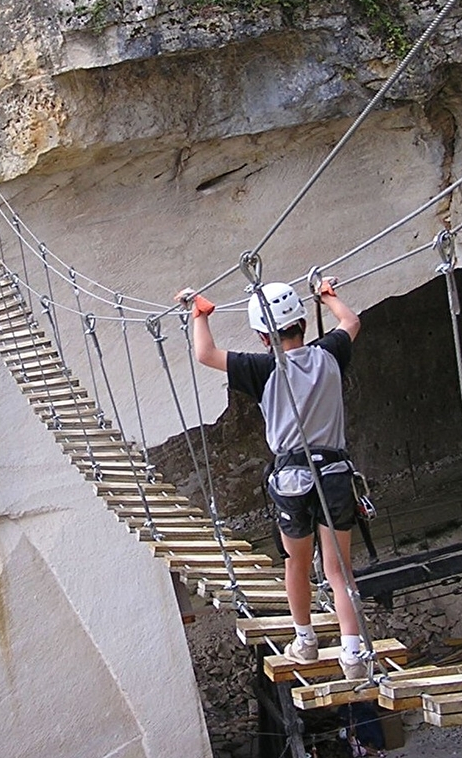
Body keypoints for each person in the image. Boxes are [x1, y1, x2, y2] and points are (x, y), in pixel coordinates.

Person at [177, 278, 368, 680]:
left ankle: (306, 641)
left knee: (296, 564)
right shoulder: (330, 353)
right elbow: (350, 322)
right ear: (300, 320)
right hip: (334, 474)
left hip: (291, 478)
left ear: (263, 336)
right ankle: (353, 654)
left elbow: (204, 353)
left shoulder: (261, 368)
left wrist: (199, 314)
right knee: (339, 569)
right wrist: (328, 296)